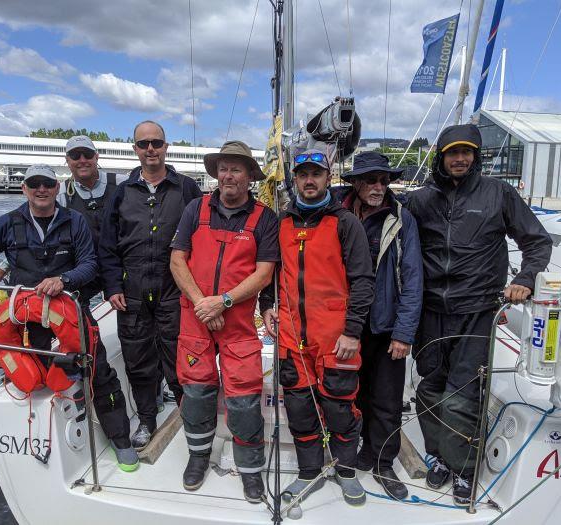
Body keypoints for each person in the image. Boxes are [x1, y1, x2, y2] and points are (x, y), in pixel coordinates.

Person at [406, 124, 552, 506]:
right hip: (431, 311)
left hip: (478, 311)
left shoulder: (498, 194)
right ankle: (438, 456)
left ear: (476, 156)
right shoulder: (420, 201)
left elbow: (536, 241)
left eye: (466, 152)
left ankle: (464, 469)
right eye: (452, 152)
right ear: (441, 156)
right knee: (430, 389)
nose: (459, 159)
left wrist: (525, 278)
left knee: (462, 396)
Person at [0, 164, 139, 471]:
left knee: (100, 373)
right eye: (34, 184)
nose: (41, 189)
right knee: (29, 372)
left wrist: (65, 280)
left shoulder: (75, 222)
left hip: (72, 312)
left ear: (57, 188)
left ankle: (121, 440)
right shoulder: (7, 224)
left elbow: (90, 264)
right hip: (26, 322)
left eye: (47, 183)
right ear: (25, 189)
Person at [260, 150, 375, 506]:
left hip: (335, 338)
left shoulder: (345, 223)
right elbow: (269, 274)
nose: (309, 180)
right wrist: (267, 307)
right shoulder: (280, 222)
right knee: (299, 409)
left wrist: (353, 331)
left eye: (316, 174)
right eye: (302, 174)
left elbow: (363, 280)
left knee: (341, 407)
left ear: (329, 177)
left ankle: (345, 470)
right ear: (294, 179)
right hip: (292, 338)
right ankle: (309, 472)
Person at [170, 140, 279, 502]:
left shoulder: (264, 218)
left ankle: (250, 472)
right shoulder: (195, 209)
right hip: (196, 318)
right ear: (216, 172)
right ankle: (197, 458)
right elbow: (177, 261)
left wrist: (224, 301)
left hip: (238, 324)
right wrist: (204, 304)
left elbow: (265, 273)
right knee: (197, 393)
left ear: (250, 175)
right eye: (224, 168)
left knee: (245, 400)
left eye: (237, 168)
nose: (228, 175)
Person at [99, 121, 202, 450]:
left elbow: (205, 238)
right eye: (143, 144)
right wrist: (112, 285)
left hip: (175, 289)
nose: (150, 149)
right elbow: (107, 246)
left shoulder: (186, 189)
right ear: (135, 150)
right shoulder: (121, 193)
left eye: (156, 142)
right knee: (138, 358)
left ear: (166, 146)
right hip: (132, 292)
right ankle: (146, 417)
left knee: (180, 354)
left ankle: (190, 411)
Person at [334, 151, 423, 500]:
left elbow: (413, 278)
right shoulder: (337, 214)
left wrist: (404, 332)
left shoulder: (402, 219)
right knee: (350, 394)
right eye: (371, 180)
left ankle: (383, 461)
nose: (378, 186)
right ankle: (362, 451)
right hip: (346, 326)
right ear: (355, 184)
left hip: (385, 325)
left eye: (384, 180)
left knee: (386, 399)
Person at [0, 134, 128, 297]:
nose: (82, 160)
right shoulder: (59, 194)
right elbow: (33, 237)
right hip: (83, 268)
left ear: (96, 156)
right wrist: (5, 266)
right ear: (67, 161)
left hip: (118, 266)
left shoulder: (121, 184)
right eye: (75, 156)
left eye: (87, 154)